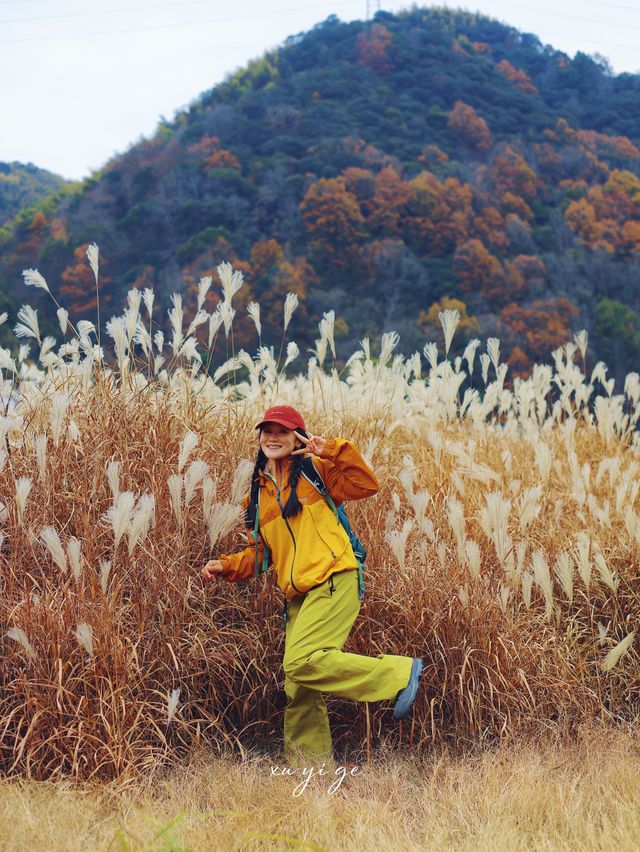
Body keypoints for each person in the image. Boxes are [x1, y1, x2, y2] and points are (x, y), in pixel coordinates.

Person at [201, 404, 423, 765]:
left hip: (335, 577)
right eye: (267, 431)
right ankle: (312, 771)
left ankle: (398, 674)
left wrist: (330, 450)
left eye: (283, 432)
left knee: (301, 661)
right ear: (259, 439)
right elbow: (262, 554)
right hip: (299, 596)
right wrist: (225, 566)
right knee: (300, 685)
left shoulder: (315, 473)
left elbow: (368, 484)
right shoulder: (257, 497)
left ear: (297, 437)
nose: (273, 437)